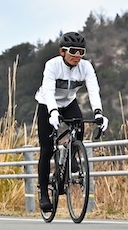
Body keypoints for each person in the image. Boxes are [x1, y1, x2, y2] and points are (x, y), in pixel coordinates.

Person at [34, 31, 108, 213]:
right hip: (47, 104)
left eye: (81, 52)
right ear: (62, 51)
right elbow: (48, 91)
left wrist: (99, 113)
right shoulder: (52, 65)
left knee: (79, 127)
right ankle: (43, 193)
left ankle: (72, 154)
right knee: (47, 149)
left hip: (68, 103)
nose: (77, 56)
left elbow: (93, 90)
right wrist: (52, 111)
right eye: (73, 51)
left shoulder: (86, 67)